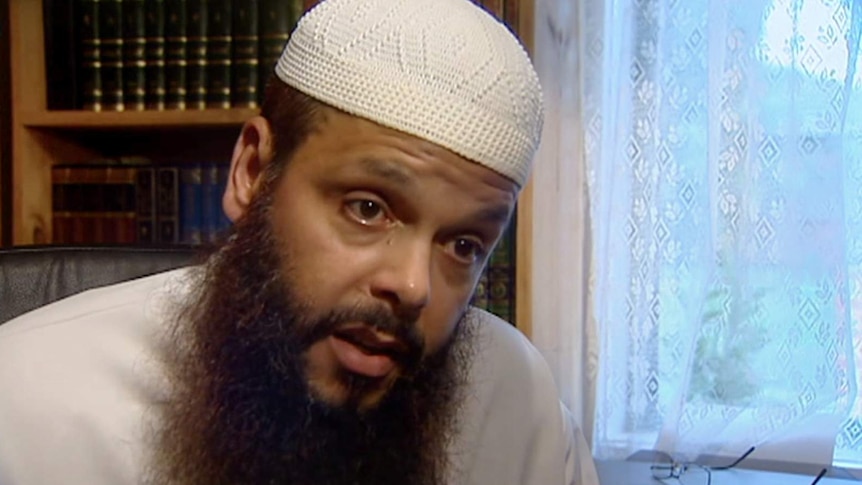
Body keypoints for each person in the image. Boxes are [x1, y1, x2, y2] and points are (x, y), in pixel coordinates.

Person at [0, 0, 598, 483]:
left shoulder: (523, 407)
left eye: (463, 245)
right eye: (368, 209)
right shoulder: (29, 404)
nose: (414, 287)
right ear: (252, 171)